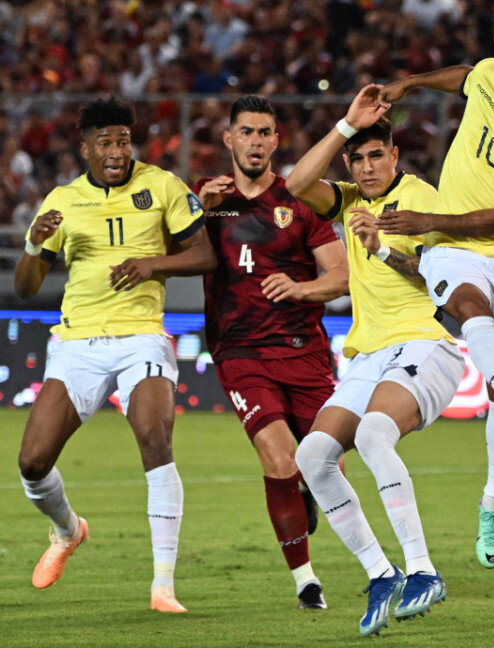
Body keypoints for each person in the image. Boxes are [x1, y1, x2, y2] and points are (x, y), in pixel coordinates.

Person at [373, 27, 494, 569]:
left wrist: (426, 218)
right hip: (451, 248)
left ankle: (493, 502)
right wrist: (411, 83)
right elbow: (465, 78)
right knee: (466, 304)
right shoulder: (489, 76)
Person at [15, 97, 216, 613]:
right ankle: (67, 530)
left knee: (155, 437)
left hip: (141, 336)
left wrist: (153, 263)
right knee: (33, 463)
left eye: (123, 141)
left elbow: (204, 255)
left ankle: (163, 586)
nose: (116, 151)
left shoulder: (164, 185)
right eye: (104, 142)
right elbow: (25, 285)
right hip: (77, 342)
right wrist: (35, 246)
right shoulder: (63, 200)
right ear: (84, 148)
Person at [287, 92, 466, 636]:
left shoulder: (421, 201)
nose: (367, 168)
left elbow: (441, 283)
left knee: (371, 438)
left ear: (395, 155)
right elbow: (294, 185)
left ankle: (423, 569)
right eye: (357, 159)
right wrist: (345, 125)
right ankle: (380, 572)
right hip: (370, 354)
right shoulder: (345, 200)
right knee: (314, 455)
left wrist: (384, 247)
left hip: (424, 344)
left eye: (376, 156)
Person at [194, 95, 349, 609]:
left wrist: (302, 290)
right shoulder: (210, 201)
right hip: (240, 351)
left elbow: (342, 275)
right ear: (229, 139)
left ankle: (308, 487)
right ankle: (306, 581)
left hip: (305, 351)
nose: (255, 142)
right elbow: (179, 254)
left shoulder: (302, 199)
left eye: (265, 133)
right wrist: (198, 215)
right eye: (247, 132)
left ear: (275, 141)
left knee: (327, 464)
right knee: (279, 457)